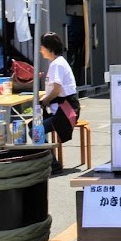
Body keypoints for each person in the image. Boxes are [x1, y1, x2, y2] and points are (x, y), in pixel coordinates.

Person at [40, 32, 80, 174]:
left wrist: (45, 101)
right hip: (67, 108)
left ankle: (52, 163)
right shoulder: (59, 62)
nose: (40, 50)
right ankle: (49, 161)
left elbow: (56, 89)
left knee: (36, 128)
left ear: (49, 48)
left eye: (42, 47)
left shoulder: (56, 65)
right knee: (37, 125)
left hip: (66, 111)